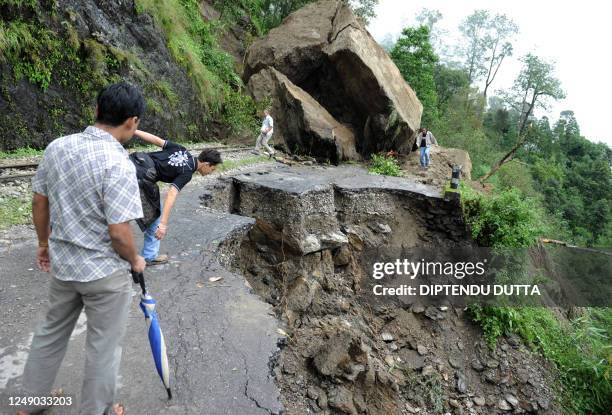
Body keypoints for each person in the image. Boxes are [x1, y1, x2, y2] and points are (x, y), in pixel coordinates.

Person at [17, 82, 146, 415]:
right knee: (103, 347)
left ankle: (30, 403)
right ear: (132, 122)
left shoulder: (57, 147)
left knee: (49, 333)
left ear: (96, 111)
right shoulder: (119, 163)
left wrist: (43, 243)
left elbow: (39, 201)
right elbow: (119, 233)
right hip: (103, 274)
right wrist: (135, 259)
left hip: (64, 266)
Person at [129, 130, 222, 265]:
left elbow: (156, 139)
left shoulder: (181, 149)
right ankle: (148, 256)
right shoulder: (187, 172)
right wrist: (163, 224)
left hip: (135, 159)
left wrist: (133, 130)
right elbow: (172, 193)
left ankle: (148, 254)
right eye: (212, 169)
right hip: (142, 176)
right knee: (155, 216)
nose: (211, 173)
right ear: (207, 164)